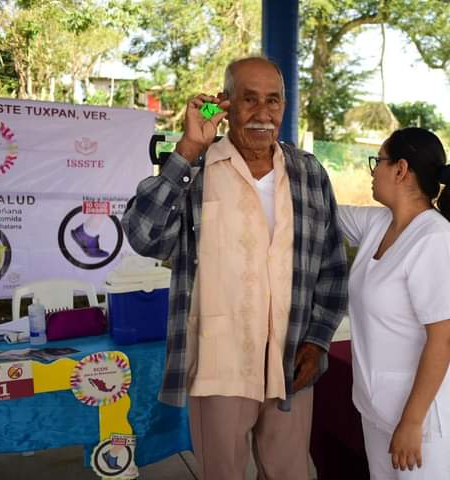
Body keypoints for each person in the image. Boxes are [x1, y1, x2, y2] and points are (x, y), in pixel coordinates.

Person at [122, 56, 348, 480]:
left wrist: (317, 340)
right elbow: (143, 236)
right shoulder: (197, 169)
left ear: (284, 106)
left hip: (291, 359)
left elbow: (332, 268)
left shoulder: (308, 172)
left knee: (290, 473)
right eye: (249, 99)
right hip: (219, 364)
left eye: (273, 100)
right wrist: (188, 149)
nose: (263, 113)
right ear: (225, 104)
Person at [336, 127, 450, 479]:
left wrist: (412, 422)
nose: (373, 171)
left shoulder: (436, 240)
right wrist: (216, 116)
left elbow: (443, 338)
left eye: (378, 161)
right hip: (378, 408)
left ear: (400, 169)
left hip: (422, 421)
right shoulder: (377, 223)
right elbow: (313, 203)